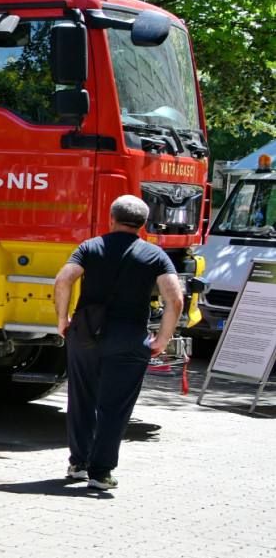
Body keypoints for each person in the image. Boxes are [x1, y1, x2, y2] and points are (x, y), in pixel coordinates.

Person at [53, 195, 183, 491]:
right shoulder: (156, 255)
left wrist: (62, 319)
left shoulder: (90, 247)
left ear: (111, 219)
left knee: (81, 398)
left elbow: (63, 281)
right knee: (115, 407)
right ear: (144, 225)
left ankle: (79, 463)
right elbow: (174, 298)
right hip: (129, 338)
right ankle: (101, 473)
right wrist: (162, 338)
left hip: (86, 334)